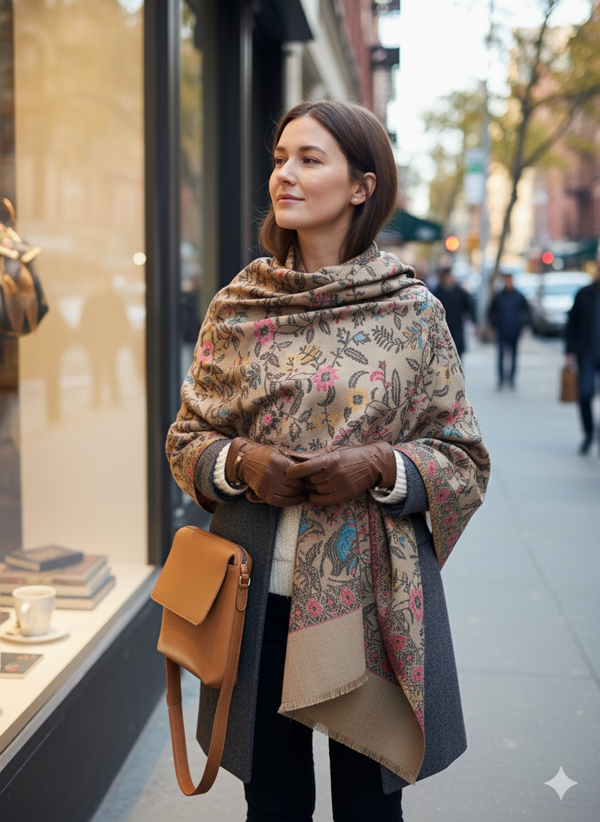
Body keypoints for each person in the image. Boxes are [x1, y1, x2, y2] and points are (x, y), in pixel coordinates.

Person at [166, 100, 490, 822]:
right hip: (253, 595)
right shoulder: (238, 306)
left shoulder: (412, 311)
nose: (284, 174)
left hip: (371, 601)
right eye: (280, 158)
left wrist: (379, 466)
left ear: (361, 187)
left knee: (368, 809)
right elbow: (186, 439)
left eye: (310, 160)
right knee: (273, 804)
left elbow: (463, 458)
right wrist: (242, 462)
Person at [565, 251, 600, 454]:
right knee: (585, 393)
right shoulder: (584, 294)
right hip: (587, 354)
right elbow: (572, 323)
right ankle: (588, 432)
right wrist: (570, 351)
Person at [487, 272, 531, 389]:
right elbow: (491, 312)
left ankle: (511, 379)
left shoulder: (519, 296)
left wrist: (522, 324)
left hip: (515, 331)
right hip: (502, 330)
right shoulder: (499, 296)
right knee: (501, 356)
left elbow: (527, 312)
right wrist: (494, 325)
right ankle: (501, 379)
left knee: (514, 356)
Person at [433, 267, 477, 358]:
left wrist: (474, 322)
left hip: (457, 327)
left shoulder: (459, 291)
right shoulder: (438, 292)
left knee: (458, 353)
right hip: (442, 327)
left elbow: (469, 307)